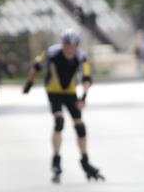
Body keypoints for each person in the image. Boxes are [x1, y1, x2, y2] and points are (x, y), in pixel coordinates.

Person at [21, 28, 104, 183]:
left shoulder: (81, 57)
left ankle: (85, 160)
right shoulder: (52, 53)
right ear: (63, 44)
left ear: (77, 46)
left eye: (74, 46)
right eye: (67, 45)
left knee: (80, 127)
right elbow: (37, 65)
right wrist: (29, 83)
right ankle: (56, 159)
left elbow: (86, 78)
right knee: (59, 122)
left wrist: (83, 97)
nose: (70, 49)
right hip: (54, 92)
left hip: (70, 93)